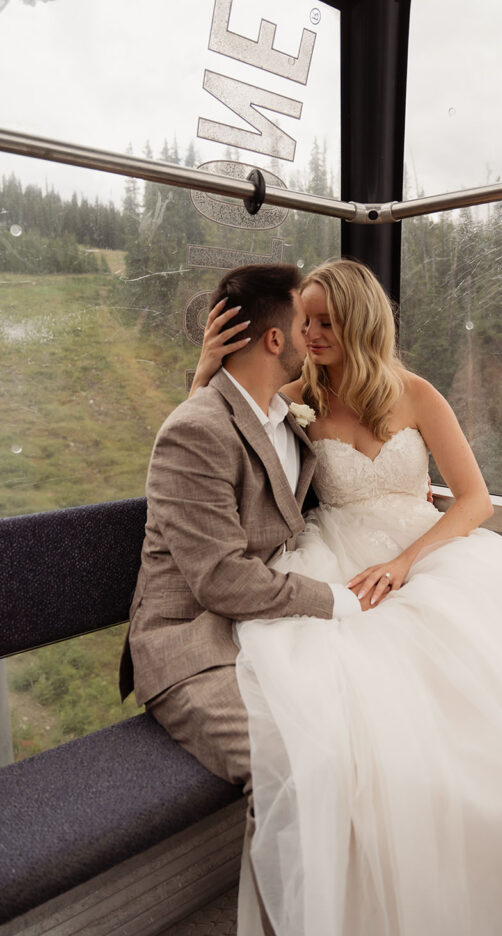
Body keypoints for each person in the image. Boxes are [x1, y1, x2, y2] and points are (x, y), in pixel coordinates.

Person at [191, 258, 502, 936]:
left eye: (326, 321)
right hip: (336, 557)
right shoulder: (295, 397)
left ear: (360, 321)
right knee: (367, 730)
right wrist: (204, 373)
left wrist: (407, 560)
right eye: (304, 321)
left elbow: (474, 500)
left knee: (492, 728)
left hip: (424, 553)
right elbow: (214, 435)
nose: (310, 333)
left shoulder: (414, 393)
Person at [118, 262, 364, 936]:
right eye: (301, 321)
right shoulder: (195, 429)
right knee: (291, 760)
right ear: (274, 341)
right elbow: (221, 579)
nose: (312, 334)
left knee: (367, 726)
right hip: (193, 643)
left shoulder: (284, 417)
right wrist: (334, 601)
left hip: (261, 626)